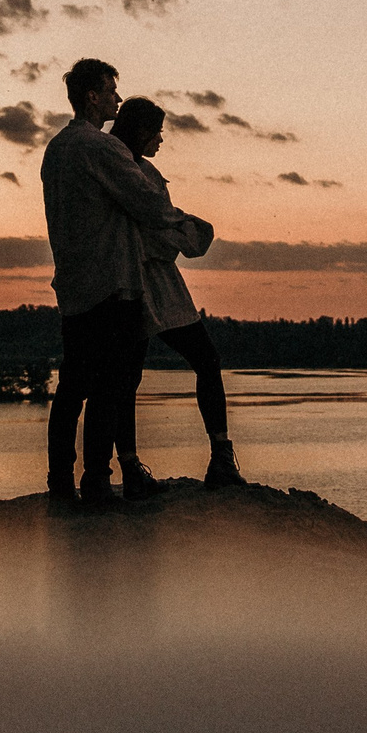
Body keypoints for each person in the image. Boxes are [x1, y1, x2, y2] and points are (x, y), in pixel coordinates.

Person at [40, 58, 192, 505]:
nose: (117, 100)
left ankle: (60, 481)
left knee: (71, 388)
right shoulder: (101, 149)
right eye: (110, 91)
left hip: (72, 284)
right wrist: (190, 225)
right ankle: (97, 481)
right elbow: (147, 203)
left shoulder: (55, 149)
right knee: (111, 387)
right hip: (112, 282)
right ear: (92, 96)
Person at [107, 97, 243, 488]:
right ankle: (133, 466)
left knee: (195, 361)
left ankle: (217, 457)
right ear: (140, 131)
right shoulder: (127, 173)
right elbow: (158, 236)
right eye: (157, 131)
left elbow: (162, 233)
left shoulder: (144, 172)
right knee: (131, 375)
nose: (161, 139)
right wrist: (182, 233)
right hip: (137, 282)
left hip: (159, 286)